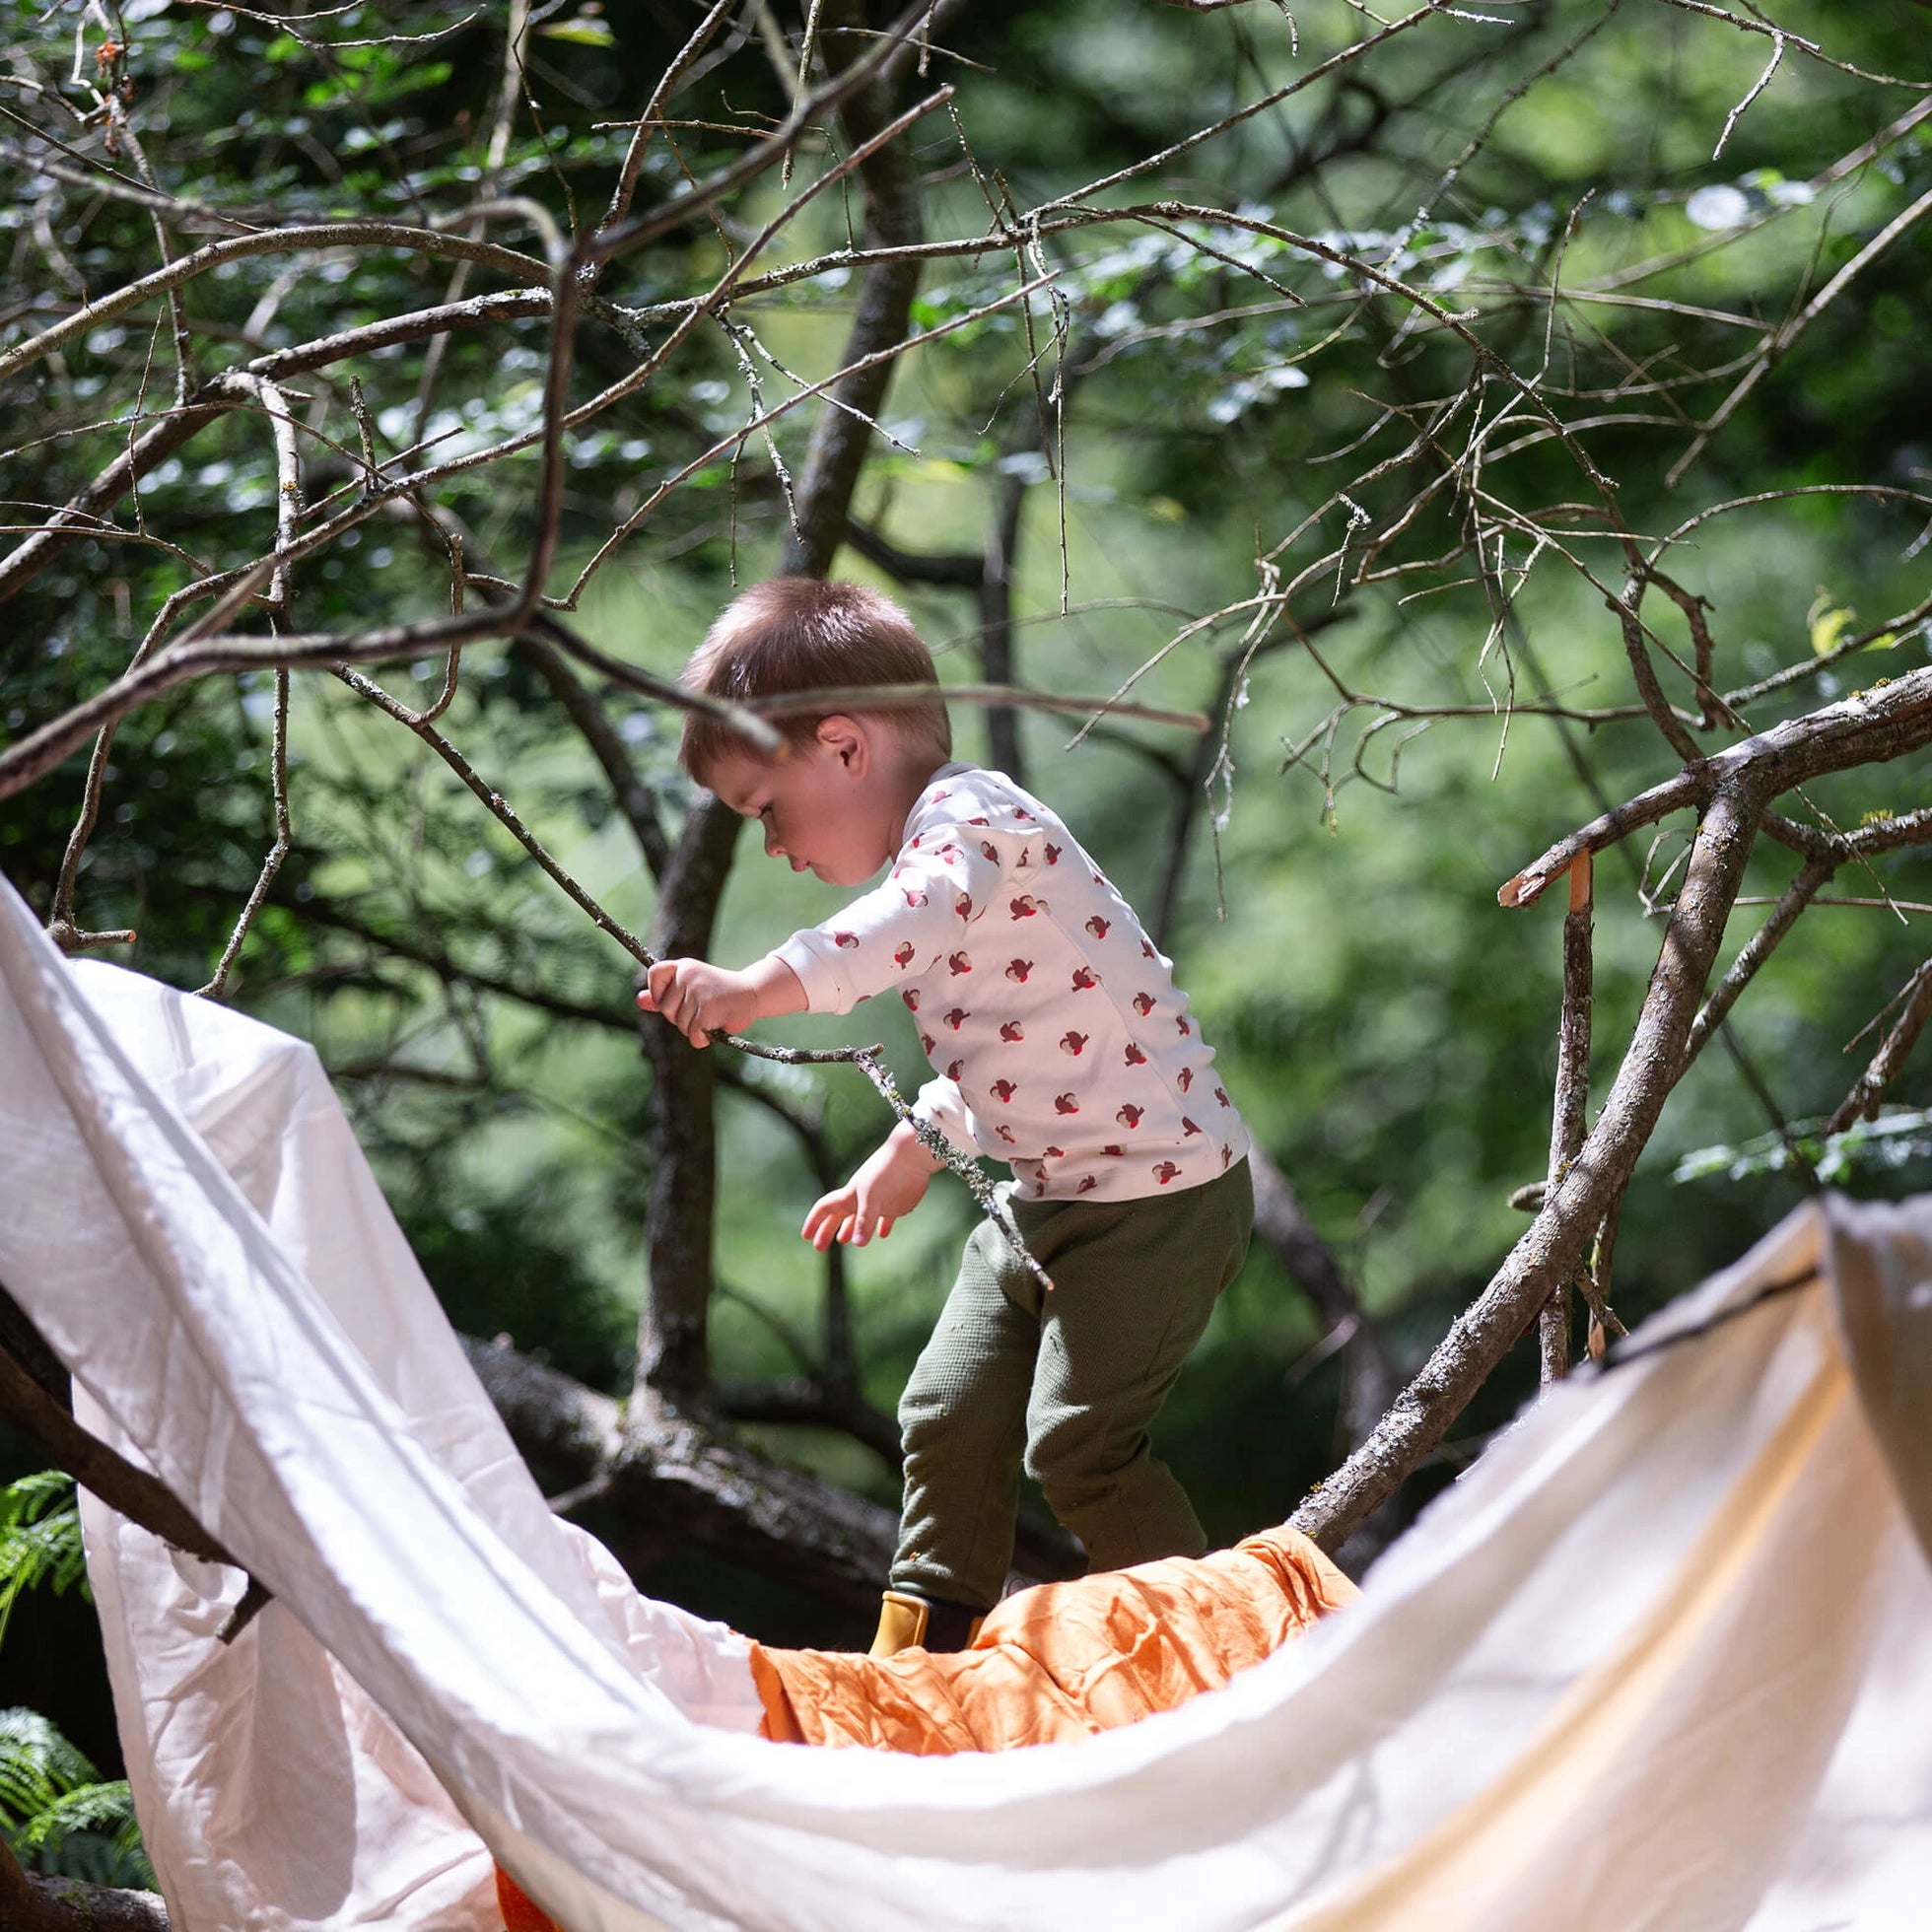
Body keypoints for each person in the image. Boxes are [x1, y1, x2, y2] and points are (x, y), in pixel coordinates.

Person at [640, 577, 1254, 1657]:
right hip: (1046, 1196)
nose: (775, 847)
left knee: (1079, 1446)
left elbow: (898, 926)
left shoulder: (973, 825)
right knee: (945, 1405)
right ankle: (924, 1640)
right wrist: (912, 1149)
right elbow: (1009, 1044)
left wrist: (752, 985)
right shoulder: (950, 852)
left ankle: (1228, 1653)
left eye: (764, 811)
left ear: (841, 747)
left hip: (1161, 1197)